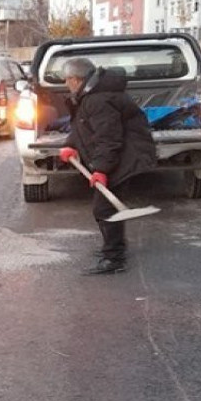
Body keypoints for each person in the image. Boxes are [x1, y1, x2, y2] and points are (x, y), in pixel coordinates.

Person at [57, 58, 155, 275]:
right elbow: (82, 126)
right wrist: (70, 145)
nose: (66, 84)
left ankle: (114, 258)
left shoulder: (98, 100)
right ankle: (112, 249)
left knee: (104, 208)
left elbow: (109, 138)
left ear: (76, 79)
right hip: (119, 154)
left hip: (126, 155)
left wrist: (101, 169)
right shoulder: (89, 96)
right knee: (105, 208)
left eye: (67, 80)